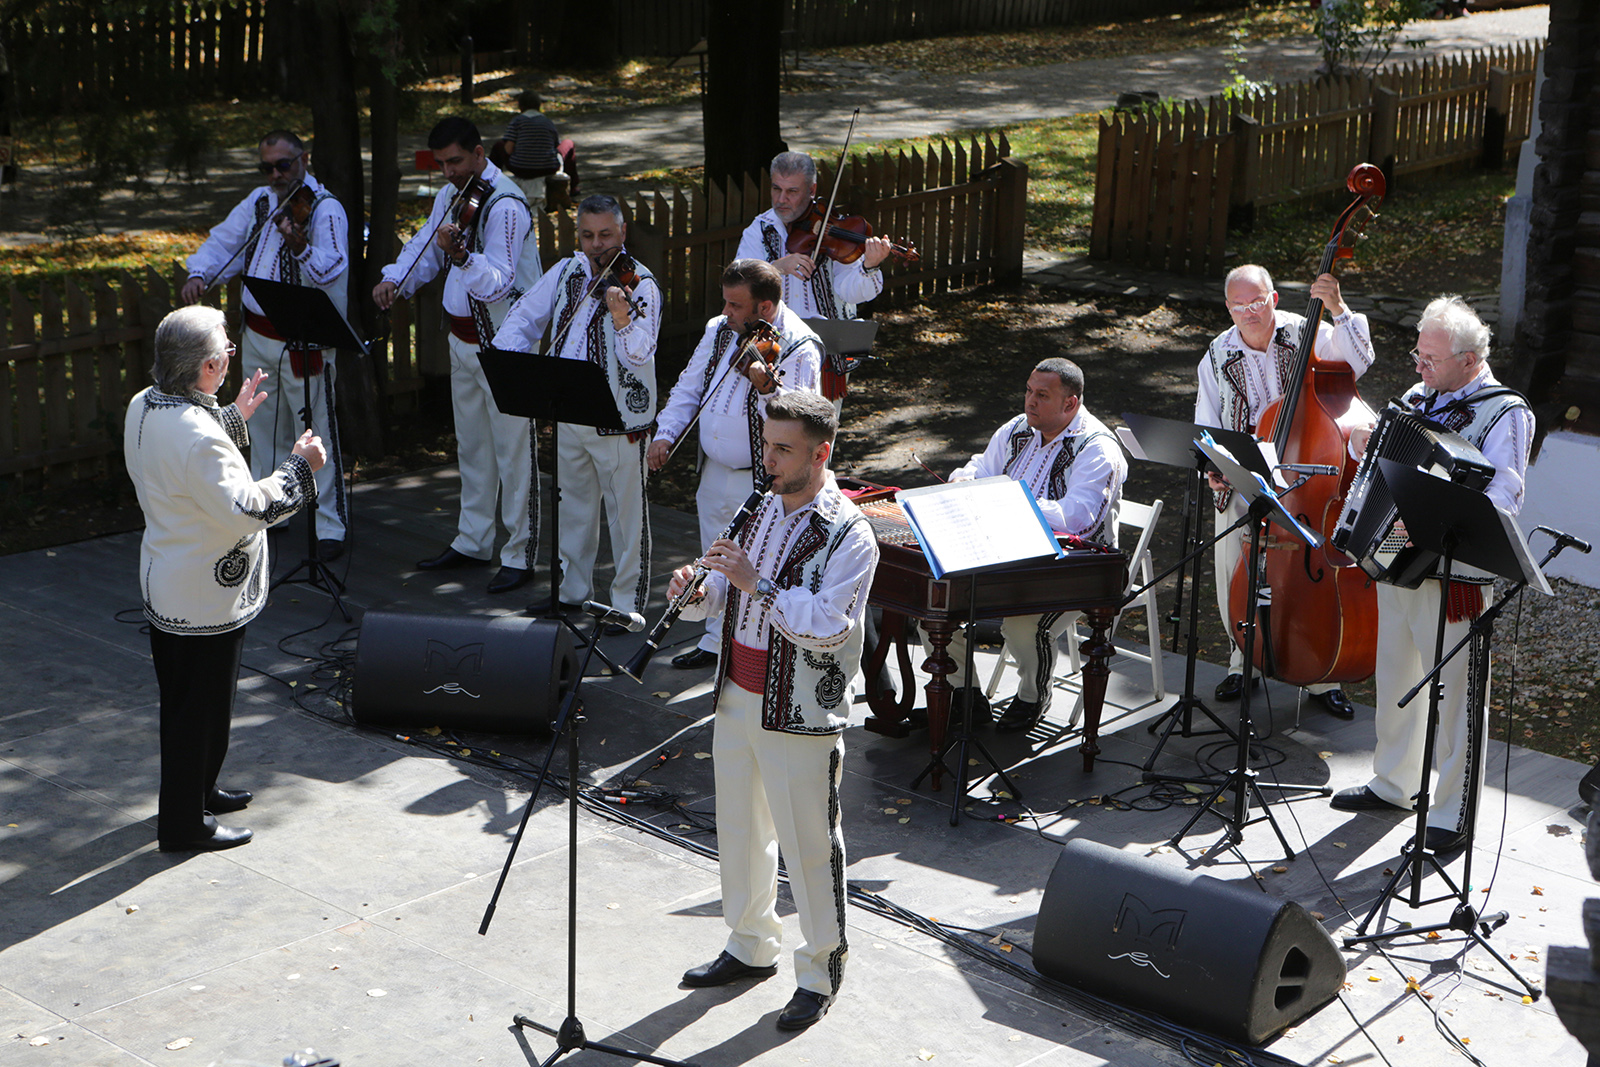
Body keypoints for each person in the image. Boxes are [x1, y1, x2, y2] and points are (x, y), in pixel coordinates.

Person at [670, 389, 879, 1031]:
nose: (769, 460)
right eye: (766, 445)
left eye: (783, 450)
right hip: (736, 690)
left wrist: (755, 582)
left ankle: (819, 971)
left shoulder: (851, 533)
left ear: (821, 453)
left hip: (800, 708)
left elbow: (830, 626)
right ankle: (749, 943)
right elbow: (725, 596)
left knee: (809, 845)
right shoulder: (759, 506)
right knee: (739, 828)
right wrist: (696, 592)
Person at [1330, 296, 1533, 854]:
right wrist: (1365, 451)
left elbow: (1505, 498)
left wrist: (1441, 496)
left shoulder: (1505, 412)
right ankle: (1395, 784)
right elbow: (1384, 470)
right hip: (1397, 556)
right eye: (1418, 355)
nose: (1420, 367)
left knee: (1459, 698)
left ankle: (1452, 813)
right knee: (1396, 677)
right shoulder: (1419, 396)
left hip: (1456, 577)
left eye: (1431, 359)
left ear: (1470, 360)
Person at [124, 306, 327, 852]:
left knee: (193, 704)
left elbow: (183, 464)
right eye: (226, 354)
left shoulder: (145, 404)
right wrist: (300, 466)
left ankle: (198, 790)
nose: (231, 359)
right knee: (199, 710)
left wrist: (232, 416)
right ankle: (184, 825)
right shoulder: (198, 436)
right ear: (208, 368)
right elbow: (247, 508)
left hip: (169, 578)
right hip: (203, 596)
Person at [1195, 263, 1375, 719]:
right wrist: (1213, 469)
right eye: (1239, 305)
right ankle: (1244, 660)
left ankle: (1322, 676)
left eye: (1257, 302)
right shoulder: (1216, 355)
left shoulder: (1306, 331)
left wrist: (1338, 308)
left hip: (1309, 479)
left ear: (1273, 298)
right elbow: (1207, 423)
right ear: (1228, 308)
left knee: (1310, 576)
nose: (1249, 312)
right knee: (1235, 572)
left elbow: (1357, 362)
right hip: (1246, 481)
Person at [374, 116, 543, 594]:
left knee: (514, 451)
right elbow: (426, 245)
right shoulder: (453, 194)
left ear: (479, 155)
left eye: (455, 161)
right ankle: (473, 541)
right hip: (463, 338)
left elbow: (500, 282)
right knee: (472, 446)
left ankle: (520, 553)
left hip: (506, 342)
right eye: (442, 163)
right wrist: (396, 279)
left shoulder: (506, 204)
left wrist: (463, 256)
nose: (448, 171)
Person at [930, 357, 1128, 733]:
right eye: (1028, 391)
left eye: (1042, 395)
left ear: (1070, 403)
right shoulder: (1017, 429)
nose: (1030, 401)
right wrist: (965, 480)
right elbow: (980, 468)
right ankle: (964, 696)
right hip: (1008, 556)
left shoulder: (1098, 448)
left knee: (1023, 627)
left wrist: (1006, 501)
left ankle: (1033, 697)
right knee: (936, 603)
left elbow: (1078, 519)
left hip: (1078, 568)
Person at [180, 130, 349, 561]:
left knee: (316, 431)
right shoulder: (259, 201)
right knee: (263, 428)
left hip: (305, 341)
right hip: (257, 335)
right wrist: (201, 272)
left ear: (304, 159)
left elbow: (332, 270)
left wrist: (301, 248)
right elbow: (226, 241)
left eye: (283, 166)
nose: (275, 175)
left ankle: (330, 524)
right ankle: (273, 513)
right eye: (267, 167)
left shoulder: (325, 209)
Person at [648, 258, 824, 669]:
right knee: (712, 560)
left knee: (756, 565)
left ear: (765, 307)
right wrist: (666, 433)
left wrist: (767, 388)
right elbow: (690, 385)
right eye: (725, 302)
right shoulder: (719, 329)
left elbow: (800, 425)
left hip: (763, 481)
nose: (725, 312)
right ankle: (714, 641)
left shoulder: (800, 345)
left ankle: (752, 650)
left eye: (735, 305)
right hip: (714, 470)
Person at [495, 194, 660, 618]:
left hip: (619, 419)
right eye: (587, 235)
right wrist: (509, 359)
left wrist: (622, 319)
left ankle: (627, 606)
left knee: (626, 518)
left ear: (623, 232)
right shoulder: (567, 270)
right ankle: (571, 591)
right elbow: (525, 314)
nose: (596, 244)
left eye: (605, 234)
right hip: (569, 410)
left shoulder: (641, 284)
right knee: (573, 508)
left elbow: (641, 353)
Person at [737, 151, 891, 407]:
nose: (781, 199)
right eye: (776, 189)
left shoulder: (834, 230)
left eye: (792, 191)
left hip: (826, 353)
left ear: (812, 190)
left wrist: (869, 266)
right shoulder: (759, 229)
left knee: (821, 428)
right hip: (773, 352)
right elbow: (738, 283)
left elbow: (851, 292)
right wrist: (776, 268)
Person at [497, 90, 563, 215]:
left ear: (521, 106)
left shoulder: (517, 121)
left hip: (521, 168)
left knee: (499, 145)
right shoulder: (547, 122)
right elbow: (555, 145)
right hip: (547, 168)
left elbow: (508, 149)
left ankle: (491, 180)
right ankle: (574, 188)